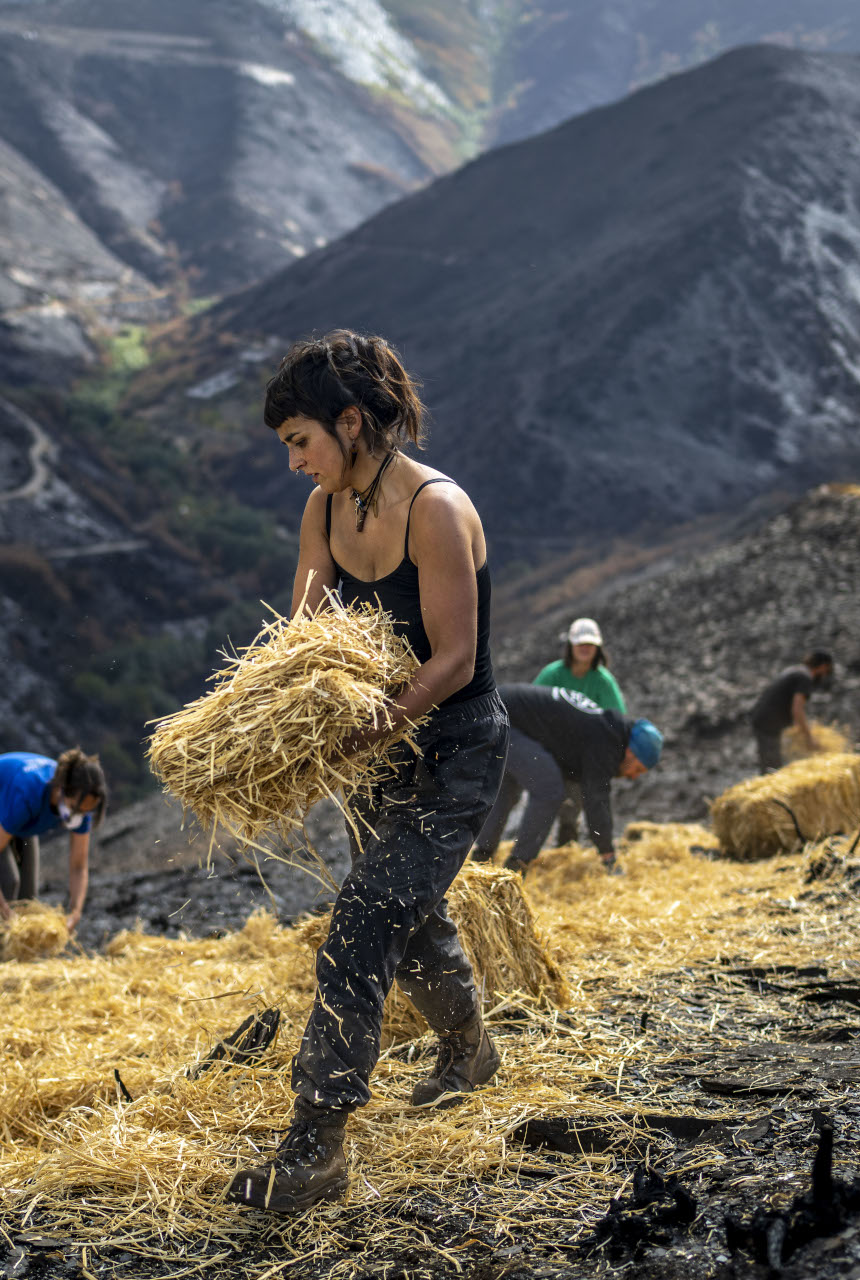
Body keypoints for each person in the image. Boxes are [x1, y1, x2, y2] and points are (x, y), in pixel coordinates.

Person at [225, 330, 508, 1214]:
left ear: (351, 422)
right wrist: (259, 722)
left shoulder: (437, 510)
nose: (294, 464)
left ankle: (317, 1142)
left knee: (360, 919)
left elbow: (456, 658)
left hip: (455, 750)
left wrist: (374, 726)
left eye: (300, 442)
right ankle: (470, 1048)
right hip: (377, 757)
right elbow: (304, 642)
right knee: (406, 911)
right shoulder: (324, 513)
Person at [474, 683, 661, 873]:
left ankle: (481, 856)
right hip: (499, 717)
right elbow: (596, 800)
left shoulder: (606, 729)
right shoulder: (606, 743)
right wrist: (608, 855)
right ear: (631, 752)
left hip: (491, 711)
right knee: (550, 790)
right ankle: (517, 867)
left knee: (509, 786)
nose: (632, 777)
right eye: (637, 769)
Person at [0, 748, 107, 932]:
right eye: (74, 809)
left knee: (28, 899)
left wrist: (76, 911)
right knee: (8, 880)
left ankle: (23, 957)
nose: (79, 816)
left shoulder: (82, 804)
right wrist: (4, 911)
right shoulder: (28, 795)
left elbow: (79, 865)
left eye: (85, 812)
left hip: (22, 816)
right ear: (61, 789)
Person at [533, 617, 625, 846]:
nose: (585, 648)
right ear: (571, 646)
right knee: (543, 800)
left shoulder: (603, 681)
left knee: (572, 805)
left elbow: (616, 718)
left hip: (579, 756)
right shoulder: (552, 674)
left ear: (598, 648)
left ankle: (566, 846)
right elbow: (532, 706)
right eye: (580, 643)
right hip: (548, 749)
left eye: (590, 644)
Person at [749, 651, 834, 771]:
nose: (825, 674)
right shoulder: (805, 678)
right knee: (772, 768)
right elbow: (797, 710)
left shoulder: (795, 670)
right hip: (768, 723)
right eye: (827, 670)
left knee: (772, 763)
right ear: (823, 666)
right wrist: (808, 738)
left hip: (764, 718)